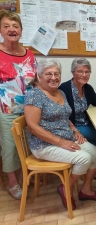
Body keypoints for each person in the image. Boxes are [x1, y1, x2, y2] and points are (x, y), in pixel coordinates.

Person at [24, 59, 96, 210]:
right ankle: (65, 188)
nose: (53, 77)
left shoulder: (60, 92)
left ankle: (86, 190)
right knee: (84, 158)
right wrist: (61, 142)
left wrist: (75, 130)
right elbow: (33, 128)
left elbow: (65, 116)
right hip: (44, 145)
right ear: (39, 76)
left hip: (67, 138)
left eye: (56, 74)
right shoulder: (34, 95)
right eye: (48, 74)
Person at [0, 9, 36, 200]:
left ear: (21, 31)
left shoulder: (29, 54)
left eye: (15, 26)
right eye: (6, 26)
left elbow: (35, 81)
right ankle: (11, 181)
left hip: (29, 109)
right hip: (5, 109)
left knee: (29, 144)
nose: (11, 29)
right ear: (1, 30)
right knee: (10, 147)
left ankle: (24, 173)